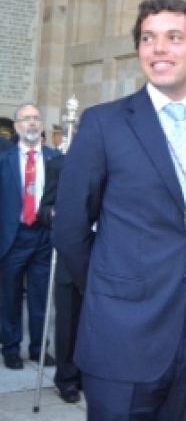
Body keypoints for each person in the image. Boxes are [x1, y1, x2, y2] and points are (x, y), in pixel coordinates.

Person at [52, 0, 186, 420]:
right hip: (123, 334)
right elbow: (69, 227)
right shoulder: (104, 124)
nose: (158, 48)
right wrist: (114, 289)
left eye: (173, 37)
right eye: (148, 38)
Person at [0, 103, 60, 369]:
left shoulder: (55, 159)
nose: (32, 123)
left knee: (40, 296)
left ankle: (38, 348)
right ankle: (10, 348)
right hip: (12, 237)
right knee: (10, 296)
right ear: (17, 127)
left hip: (44, 236)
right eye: (26, 119)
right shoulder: (4, 160)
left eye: (36, 118)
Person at [37, 154, 82, 404]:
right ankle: (66, 379)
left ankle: (90, 374)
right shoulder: (60, 164)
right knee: (67, 321)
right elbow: (43, 210)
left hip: (105, 257)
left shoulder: (119, 160)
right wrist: (54, 213)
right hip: (69, 257)